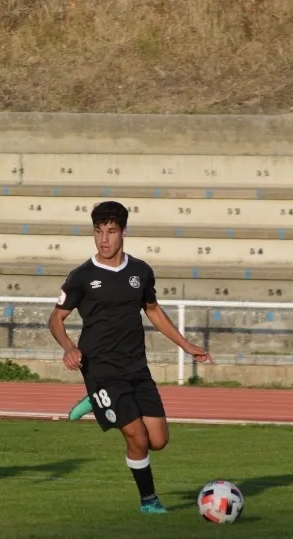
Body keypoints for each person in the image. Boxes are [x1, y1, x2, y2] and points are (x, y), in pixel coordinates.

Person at [48, 200, 213, 514]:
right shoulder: (82, 276)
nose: (104, 240)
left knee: (158, 440)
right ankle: (149, 501)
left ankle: (96, 402)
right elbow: (55, 319)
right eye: (98, 232)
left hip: (136, 365)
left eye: (111, 232)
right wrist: (69, 347)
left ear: (123, 231)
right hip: (100, 368)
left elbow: (152, 310)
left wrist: (185, 344)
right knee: (137, 438)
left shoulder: (140, 271)